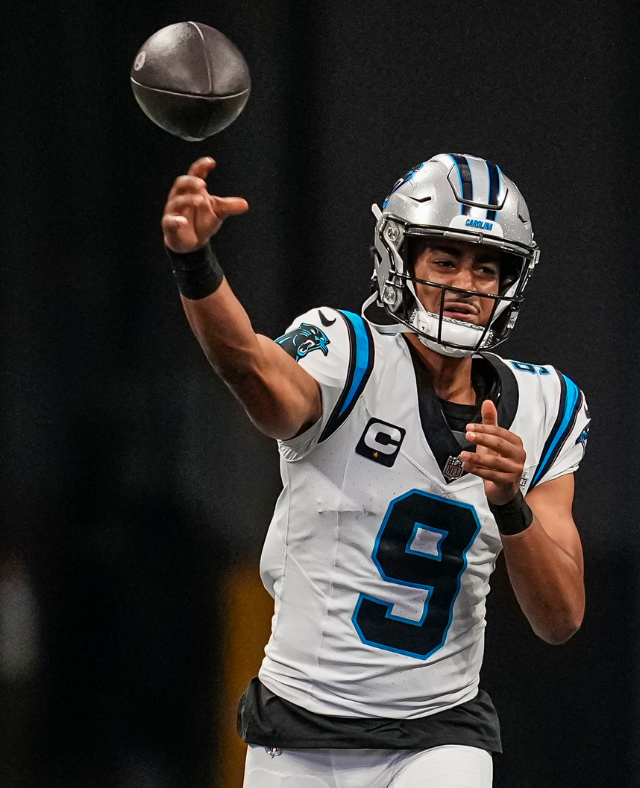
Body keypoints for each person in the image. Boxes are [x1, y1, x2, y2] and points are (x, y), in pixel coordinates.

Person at [162, 153, 591, 788]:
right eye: (444, 259)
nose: (466, 284)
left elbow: (561, 619)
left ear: (510, 283)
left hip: (439, 731)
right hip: (300, 727)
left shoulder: (546, 405)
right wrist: (196, 263)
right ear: (403, 259)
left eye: (486, 268)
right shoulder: (346, 353)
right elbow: (250, 371)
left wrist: (512, 504)